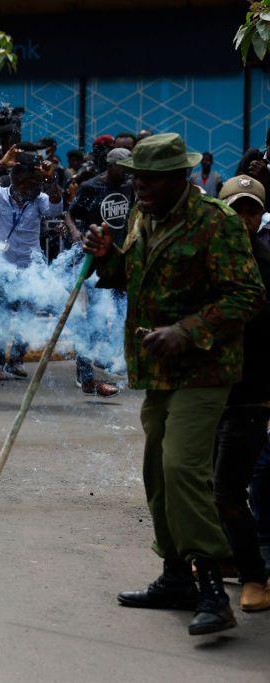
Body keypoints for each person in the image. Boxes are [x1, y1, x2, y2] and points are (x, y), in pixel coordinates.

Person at [85, 133, 265, 636]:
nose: (138, 186)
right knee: (158, 473)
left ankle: (211, 584)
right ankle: (175, 577)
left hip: (204, 368)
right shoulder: (147, 215)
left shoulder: (217, 222)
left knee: (182, 467)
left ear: (179, 178)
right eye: (137, 177)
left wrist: (186, 332)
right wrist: (106, 255)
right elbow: (130, 277)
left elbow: (248, 296)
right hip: (157, 371)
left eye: (150, 179)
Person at [211, 175, 270, 612]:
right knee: (212, 481)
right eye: (237, 208)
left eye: (251, 209)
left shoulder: (264, 262)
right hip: (211, 387)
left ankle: (255, 577)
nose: (244, 217)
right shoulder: (210, 255)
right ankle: (228, 560)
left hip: (252, 389)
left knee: (229, 488)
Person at [0, 146, 64, 380]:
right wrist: (0, 163)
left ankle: (16, 360)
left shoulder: (39, 199)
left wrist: (51, 180)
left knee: (29, 316)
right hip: (0, 271)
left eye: (39, 186)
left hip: (31, 271)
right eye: (31, 186)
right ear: (16, 183)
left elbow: (56, 206)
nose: (36, 191)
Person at [65, 147, 134, 398]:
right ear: (110, 165)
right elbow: (69, 214)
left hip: (121, 259)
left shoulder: (130, 186)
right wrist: (75, 232)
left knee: (122, 318)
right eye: (123, 167)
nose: (126, 172)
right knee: (93, 319)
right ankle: (87, 378)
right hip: (94, 260)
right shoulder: (91, 187)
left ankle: (115, 365)